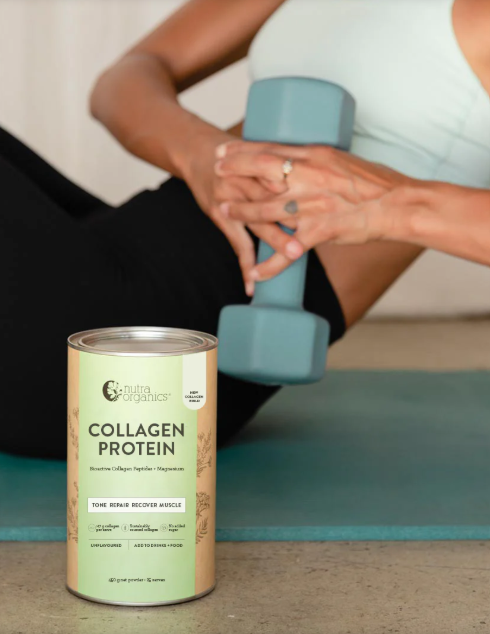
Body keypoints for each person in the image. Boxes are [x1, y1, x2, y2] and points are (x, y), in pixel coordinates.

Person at [1, 0, 489, 458]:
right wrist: (202, 154)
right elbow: (125, 79)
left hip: (143, 360)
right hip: (109, 257)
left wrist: (396, 205)